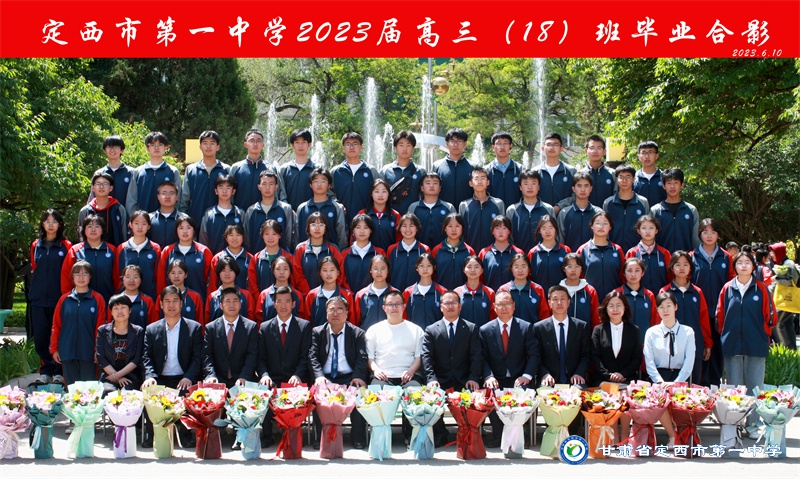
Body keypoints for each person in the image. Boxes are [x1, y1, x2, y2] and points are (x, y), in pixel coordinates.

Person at [142, 285, 204, 448]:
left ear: (181, 304)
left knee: (187, 392)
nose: (171, 305)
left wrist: (189, 377)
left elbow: (197, 358)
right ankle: (154, 434)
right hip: (160, 378)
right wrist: (150, 376)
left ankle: (185, 435)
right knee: (150, 391)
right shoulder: (152, 329)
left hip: (183, 377)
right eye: (167, 301)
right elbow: (146, 357)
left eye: (175, 301)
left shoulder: (194, 328)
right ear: (161, 304)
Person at [421, 290, 483, 448]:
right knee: (431, 397)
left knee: (474, 397)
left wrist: (473, 378)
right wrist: (431, 379)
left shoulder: (471, 328)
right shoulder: (431, 330)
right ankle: (440, 434)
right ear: (441, 307)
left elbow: (476, 356)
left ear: (460, 306)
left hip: (464, 379)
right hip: (440, 379)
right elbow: (426, 357)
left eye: (453, 303)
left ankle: (467, 432)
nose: (450, 306)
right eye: (446, 303)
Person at [479, 290, 540, 448]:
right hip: (496, 377)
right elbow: (482, 358)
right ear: (494, 307)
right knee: (490, 394)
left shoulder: (525, 327)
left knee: (524, 394)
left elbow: (534, 354)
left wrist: (527, 376)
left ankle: (520, 436)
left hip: (518, 377)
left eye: (507, 304)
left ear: (514, 306)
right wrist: (488, 376)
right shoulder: (485, 330)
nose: (504, 308)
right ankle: (498, 435)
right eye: (500, 304)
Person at [716, 252, 776, 409]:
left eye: (747, 262)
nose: (743, 265)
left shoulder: (761, 288)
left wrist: (763, 335)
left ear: (754, 267)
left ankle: (753, 420)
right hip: (732, 344)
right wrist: (726, 335)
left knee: (755, 386)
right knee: (733, 387)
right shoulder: (727, 288)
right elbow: (720, 316)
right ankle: (734, 419)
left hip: (756, 343)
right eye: (740, 262)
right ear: (734, 266)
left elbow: (770, 316)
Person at [309, 296, 368, 449]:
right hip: (326, 377)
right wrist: (319, 376)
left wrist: (357, 376)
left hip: (349, 377)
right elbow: (312, 357)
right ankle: (321, 438)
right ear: (326, 313)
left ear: (347, 313)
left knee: (359, 392)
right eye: (331, 310)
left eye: (340, 309)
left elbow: (362, 357)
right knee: (319, 394)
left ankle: (358, 437)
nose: (335, 313)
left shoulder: (357, 333)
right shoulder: (317, 332)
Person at [366, 291, 425, 443]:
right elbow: (370, 358)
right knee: (376, 393)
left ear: (404, 306)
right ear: (384, 307)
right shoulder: (374, 330)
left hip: (409, 375)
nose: (394, 308)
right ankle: (381, 436)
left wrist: (411, 370)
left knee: (415, 393)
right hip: (383, 375)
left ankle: (410, 435)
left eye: (397, 304)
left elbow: (419, 357)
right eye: (390, 304)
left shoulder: (416, 330)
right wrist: (376, 370)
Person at [257, 286, 313, 447]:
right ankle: (267, 435)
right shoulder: (265, 327)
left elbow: (305, 357)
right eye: (279, 301)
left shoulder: (303, 326)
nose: (283, 305)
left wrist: (298, 375)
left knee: (297, 391)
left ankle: (293, 433)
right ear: (274, 304)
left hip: (294, 378)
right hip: (273, 377)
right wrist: (264, 375)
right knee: (264, 390)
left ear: (294, 304)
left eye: (287, 301)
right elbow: (260, 358)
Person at [643, 292, 696, 448]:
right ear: (657, 310)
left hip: (680, 376)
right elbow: (649, 361)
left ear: (676, 307)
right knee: (659, 399)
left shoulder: (688, 332)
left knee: (681, 400)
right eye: (661, 307)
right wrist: (659, 382)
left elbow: (689, 360)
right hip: (658, 376)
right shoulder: (651, 333)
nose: (665, 310)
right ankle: (673, 436)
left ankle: (682, 433)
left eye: (669, 306)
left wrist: (677, 382)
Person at [29, 209, 72, 385]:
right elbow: (34, 268)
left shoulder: (66, 245)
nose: (51, 224)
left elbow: (69, 271)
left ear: (60, 224)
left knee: (59, 335)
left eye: (54, 221)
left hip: (58, 298)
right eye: (47, 221)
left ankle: (58, 371)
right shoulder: (35, 245)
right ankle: (45, 370)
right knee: (41, 337)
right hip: (39, 299)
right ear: (42, 224)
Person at [691, 218, 735, 387]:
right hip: (698, 312)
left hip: (719, 313)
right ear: (699, 234)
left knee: (716, 352)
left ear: (718, 235)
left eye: (713, 232)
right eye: (705, 232)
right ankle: (699, 387)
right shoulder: (692, 256)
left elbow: (731, 283)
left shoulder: (726, 257)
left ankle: (715, 387)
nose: (709, 236)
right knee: (699, 349)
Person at [659, 251, 712, 385]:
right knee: (671, 386)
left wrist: (707, 343)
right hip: (670, 348)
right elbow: (658, 321)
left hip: (694, 345)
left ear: (690, 268)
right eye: (678, 264)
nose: (681, 268)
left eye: (685, 264)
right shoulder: (665, 291)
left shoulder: (697, 292)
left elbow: (703, 319)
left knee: (693, 386)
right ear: (672, 267)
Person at [50, 260, 107, 386]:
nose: (81, 278)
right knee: (71, 390)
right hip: (67, 351)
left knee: (89, 390)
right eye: (77, 274)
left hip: (88, 353)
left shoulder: (97, 299)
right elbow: (56, 325)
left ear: (90, 276)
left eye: (85, 274)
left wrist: (97, 350)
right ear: (72, 277)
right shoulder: (64, 300)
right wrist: (54, 349)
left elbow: (101, 328)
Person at [533, 285, 591, 388]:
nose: (559, 303)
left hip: (574, 379)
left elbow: (586, 355)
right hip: (549, 380)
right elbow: (536, 356)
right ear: (549, 303)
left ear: (568, 302)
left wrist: (579, 373)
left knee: (580, 394)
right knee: (544, 395)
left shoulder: (581, 327)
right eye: (555, 299)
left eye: (563, 299)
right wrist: (545, 374)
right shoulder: (539, 328)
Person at [203, 287, 259, 388]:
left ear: (240, 304)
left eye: (235, 301)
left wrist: (244, 376)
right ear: (221, 305)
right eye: (227, 301)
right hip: (218, 380)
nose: (232, 305)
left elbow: (252, 355)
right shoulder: (211, 328)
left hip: (243, 380)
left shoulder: (251, 327)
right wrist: (211, 375)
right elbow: (207, 355)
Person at [60, 214, 120, 303]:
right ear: (84, 230)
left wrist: (117, 298)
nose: (93, 230)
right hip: (81, 302)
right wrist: (69, 299)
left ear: (102, 230)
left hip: (107, 300)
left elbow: (117, 277)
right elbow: (66, 277)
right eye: (89, 226)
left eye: (97, 226)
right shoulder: (75, 251)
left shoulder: (112, 250)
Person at [179, 130, 230, 226]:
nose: (208, 146)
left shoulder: (226, 169)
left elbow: (231, 196)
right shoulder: (191, 169)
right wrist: (184, 218)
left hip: (219, 221)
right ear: (200, 146)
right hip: (194, 221)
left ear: (218, 147)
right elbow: (185, 197)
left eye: (212, 143)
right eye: (205, 143)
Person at [591, 291, 642, 386]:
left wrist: (623, 374)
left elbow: (637, 358)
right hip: (603, 380)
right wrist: (608, 375)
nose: (615, 309)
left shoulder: (634, 330)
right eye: (611, 306)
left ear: (624, 307)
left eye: (618, 305)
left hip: (627, 379)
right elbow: (595, 357)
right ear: (606, 308)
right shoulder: (598, 330)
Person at [157, 215, 213, 302]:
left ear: (194, 230)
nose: (185, 231)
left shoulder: (204, 251)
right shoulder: (167, 251)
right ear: (176, 230)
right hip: (172, 303)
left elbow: (210, 281)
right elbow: (161, 280)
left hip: (197, 302)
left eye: (188, 228)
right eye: (181, 228)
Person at [97, 294, 144, 394]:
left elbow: (137, 359)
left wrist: (118, 375)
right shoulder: (102, 331)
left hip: (131, 376)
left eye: (123, 307)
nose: (120, 311)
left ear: (130, 310)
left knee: (128, 394)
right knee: (109, 392)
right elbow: (101, 358)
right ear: (111, 312)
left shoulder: (138, 331)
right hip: (109, 376)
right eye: (116, 308)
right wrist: (116, 376)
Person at [331, 131, 380, 227]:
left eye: (355, 144)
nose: (351, 147)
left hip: (366, 222)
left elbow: (379, 193)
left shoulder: (371, 171)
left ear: (361, 147)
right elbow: (328, 193)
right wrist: (336, 204)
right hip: (340, 220)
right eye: (348, 144)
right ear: (343, 148)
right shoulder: (336, 171)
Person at [230, 128, 287, 210]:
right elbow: (229, 193)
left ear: (263, 145)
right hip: (240, 214)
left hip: (264, 214)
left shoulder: (271, 168)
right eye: (251, 141)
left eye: (258, 141)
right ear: (246, 144)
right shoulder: (236, 168)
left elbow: (280, 193)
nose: (255, 144)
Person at [126, 131, 182, 215]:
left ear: (166, 147)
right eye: (152, 145)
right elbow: (131, 199)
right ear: (147, 148)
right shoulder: (138, 172)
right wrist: (135, 218)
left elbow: (178, 197)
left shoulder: (173, 171)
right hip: (142, 220)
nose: (156, 148)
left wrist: (174, 217)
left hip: (167, 219)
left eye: (160, 145)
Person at [243, 170, 296, 254]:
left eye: (271, 184)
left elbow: (289, 237)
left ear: (276, 187)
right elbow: (247, 239)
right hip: (257, 259)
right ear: (259, 187)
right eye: (264, 184)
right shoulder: (251, 211)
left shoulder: (286, 209)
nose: (267, 188)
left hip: (281, 259)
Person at [293, 212, 346, 296]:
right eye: (313, 225)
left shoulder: (333, 249)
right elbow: (297, 275)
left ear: (325, 228)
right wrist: (310, 294)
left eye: (321, 225)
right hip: (306, 296)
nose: (317, 228)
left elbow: (340, 273)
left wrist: (330, 291)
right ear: (308, 228)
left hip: (331, 296)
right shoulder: (300, 249)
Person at [577, 211, 625, 300]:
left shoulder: (617, 250)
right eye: (597, 223)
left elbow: (623, 275)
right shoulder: (583, 250)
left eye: (605, 223)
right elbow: (577, 276)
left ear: (610, 227)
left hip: (613, 300)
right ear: (592, 226)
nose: (601, 227)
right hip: (589, 299)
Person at [650, 168, 700, 254]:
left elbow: (696, 239)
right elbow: (650, 238)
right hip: (661, 259)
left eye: (676, 182)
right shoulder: (655, 211)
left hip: (685, 259)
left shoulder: (691, 210)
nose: (672, 186)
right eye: (669, 183)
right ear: (663, 186)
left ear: (682, 185)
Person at [505, 169, 555, 254]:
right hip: (518, 258)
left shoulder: (548, 209)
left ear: (538, 187)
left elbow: (554, 235)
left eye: (533, 183)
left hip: (542, 256)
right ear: (520, 187)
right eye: (526, 183)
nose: (530, 187)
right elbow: (508, 237)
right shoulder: (512, 210)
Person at [296, 168, 348, 248]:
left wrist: (339, 252)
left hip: (331, 253)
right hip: (306, 253)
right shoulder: (302, 208)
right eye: (316, 181)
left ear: (329, 185)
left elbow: (342, 235)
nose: (319, 184)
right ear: (311, 185)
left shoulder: (337, 208)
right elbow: (297, 234)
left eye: (323, 181)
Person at [603, 164, 650, 252]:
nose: (624, 181)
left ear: (633, 179)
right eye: (621, 177)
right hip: (612, 250)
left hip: (637, 251)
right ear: (616, 179)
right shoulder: (608, 203)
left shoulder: (643, 202)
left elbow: (647, 226)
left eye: (628, 177)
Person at [458, 166, 505, 252]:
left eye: (483, 178)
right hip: (470, 252)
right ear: (471, 183)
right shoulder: (464, 205)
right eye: (476, 178)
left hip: (493, 252)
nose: (479, 181)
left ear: (488, 182)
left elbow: (503, 228)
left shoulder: (498, 204)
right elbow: (460, 232)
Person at [117, 210, 161, 299]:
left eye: (144, 224)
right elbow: (117, 275)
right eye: (136, 223)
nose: (140, 227)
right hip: (126, 298)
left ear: (148, 226)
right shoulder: (122, 248)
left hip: (150, 296)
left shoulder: (155, 248)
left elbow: (158, 276)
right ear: (130, 225)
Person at [198, 174, 246, 255]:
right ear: (216, 191)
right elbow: (203, 241)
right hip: (214, 260)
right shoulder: (208, 214)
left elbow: (246, 239)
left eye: (228, 188)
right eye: (221, 187)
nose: (224, 191)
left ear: (233, 191)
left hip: (236, 260)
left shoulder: (240, 213)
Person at [614, 257, 659, 344]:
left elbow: (654, 320)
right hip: (621, 344)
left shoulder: (649, 295)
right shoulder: (616, 294)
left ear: (642, 273)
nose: (633, 274)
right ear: (624, 273)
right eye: (629, 270)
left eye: (637, 270)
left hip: (644, 344)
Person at [208, 224, 259, 300]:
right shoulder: (218, 258)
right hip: (223, 301)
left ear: (243, 237)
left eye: (238, 235)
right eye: (231, 235)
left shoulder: (250, 258)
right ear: (226, 238)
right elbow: (212, 284)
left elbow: (253, 284)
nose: (234, 238)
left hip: (245, 300)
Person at [407, 171, 456, 249]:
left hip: (443, 250)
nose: (432, 186)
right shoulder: (414, 207)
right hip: (419, 250)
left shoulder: (448, 207)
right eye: (428, 183)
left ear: (439, 188)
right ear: (422, 188)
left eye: (435, 183)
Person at [381, 131, 426, 215]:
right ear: (395, 148)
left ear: (413, 149)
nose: (405, 149)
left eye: (408, 145)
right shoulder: (386, 170)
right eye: (401, 145)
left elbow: (425, 196)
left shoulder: (420, 171)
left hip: (414, 217)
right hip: (391, 217)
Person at [79, 172, 128, 247]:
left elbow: (124, 234)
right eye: (98, 184)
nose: (101, 187)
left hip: (115, 251)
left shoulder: (119, 209)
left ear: (111, 188)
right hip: (89, 251)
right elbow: (81, 235)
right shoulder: (85, 211)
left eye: (105, 184)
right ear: (93, 188)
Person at [497, 254, 550, 323]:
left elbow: (544, 315)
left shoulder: (538, 289)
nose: (520, 270)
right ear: (511, 269)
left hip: (532, 329)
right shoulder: (503, 290)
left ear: (529, 269)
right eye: (516, 267)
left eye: (523, 266)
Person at [558, 172, 603, 252]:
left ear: (591, 188)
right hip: (570, 257)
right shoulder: (564, 213)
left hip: (593, 256)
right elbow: (560, 239)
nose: (582, 189)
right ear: (573, 189)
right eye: (579, 186)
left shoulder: (598, 213)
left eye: (586, 186)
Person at [626, 215, 671, 294]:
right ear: (639, 231)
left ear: (656, 231)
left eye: (651, 228)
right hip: (639, 297)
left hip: (662, 297)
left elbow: (670, 276)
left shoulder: (664, 253)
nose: (647, 231)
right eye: (644, 228)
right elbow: (625, 277)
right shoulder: (632, 253)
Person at [305, 257, 355, 327]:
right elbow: (307, 320)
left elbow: (352, 321)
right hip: (317, 334)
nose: (328, 274)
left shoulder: (347, 295)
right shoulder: (312, 295)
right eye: (325, 270)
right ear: (320, 273)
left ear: (338, 272)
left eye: (332, 270)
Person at [341, 214, 387, 293]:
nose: (362, 231)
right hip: (349, 297)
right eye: (358, 227)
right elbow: (341, 278)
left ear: (371, 230)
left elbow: (384, 276)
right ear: (353, 230)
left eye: (366, 227)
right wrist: (349, 294)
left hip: (374, 296)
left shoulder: (379, 253)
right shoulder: (344, 254)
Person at [206, 256, 256, 327]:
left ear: (236, 272)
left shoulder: (246, 295)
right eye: (223, 270)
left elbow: (251, 319)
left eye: (231, 270)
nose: (227, 274)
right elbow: (207, 321)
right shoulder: (212, 297)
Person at [478, 215, 524, 292]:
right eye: (497, 228)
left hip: (513, 296)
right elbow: (479, 277)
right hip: (490, 296)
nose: (500, 232)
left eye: (504, 228)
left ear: (509, 231)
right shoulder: (484, 253)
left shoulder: (518, 253)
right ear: (492, 231)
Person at [353, 255, 399, 331]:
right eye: (375, 268)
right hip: (367, 336)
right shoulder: (360, 295)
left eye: (383, 268)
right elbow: (356, 322)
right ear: (370, 270)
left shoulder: (396, 294)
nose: (379, 272)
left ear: (388, 270)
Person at [386, 213, 431, 291]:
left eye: (411, 226)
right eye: (404, 226)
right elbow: (387, 273)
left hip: (417, 294)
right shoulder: (392, 249)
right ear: (400, 228)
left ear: (417, 228)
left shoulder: (424, 249)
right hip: (395, 294)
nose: (408, 229)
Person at [431, 213, 475, 291]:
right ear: (445, 228)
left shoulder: (469, 251)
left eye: (457, 226)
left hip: (464, 294)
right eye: (450, 226)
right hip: (441, 294)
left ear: (462, 228)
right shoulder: (437, 250)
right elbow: (431, 274)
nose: (454, 230)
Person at [253, 219, 298, 294]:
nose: (270, 237)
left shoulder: (289, 257)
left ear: (280, 235)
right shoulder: (256, 258)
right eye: (267, 234)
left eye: (274, 234)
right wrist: (262, 298)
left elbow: (293, 281)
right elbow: (252, 284)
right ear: (262, 235)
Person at [256, 255, 303, 325]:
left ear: (290, 271)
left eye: (285, 269)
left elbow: (302, 318)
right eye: (278, 269)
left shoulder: (297, 295)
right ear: (273, 271)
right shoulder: (264, 294)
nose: (281, 272)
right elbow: (259, 318)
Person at [528, 215, 570, 292]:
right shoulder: (533, 252)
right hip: (539, 295)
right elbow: (529, 275)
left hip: (560, 295)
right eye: (544, 228)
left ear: (555, 229)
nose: (547, 232)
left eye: (551, 228)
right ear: (539, 230)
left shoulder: (565, 250)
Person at [403, 254, 446, 330]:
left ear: (434, 267)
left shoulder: (442, 291)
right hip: (414, 334)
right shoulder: (408, 292)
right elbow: (404, 315)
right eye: (421, 266)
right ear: (417, 268)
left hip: (437, 334)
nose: (425, 269)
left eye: (429, 266)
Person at [433, 127, 473, 207]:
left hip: (467, 209)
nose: (455, 144)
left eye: (459, 141)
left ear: (465, 144)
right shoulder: (437, 166)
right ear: (447, 144)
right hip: (443, 209)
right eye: (452, 141)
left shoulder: (473, 166)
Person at [357, 179, 401, 252]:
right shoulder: (363, 214)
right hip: (367, 256)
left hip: (389, 256)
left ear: (388, 194)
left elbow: (400, 239)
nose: (380, 195)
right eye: (377, 191)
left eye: (384, 191)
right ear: (371, 194)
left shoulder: (395, 215)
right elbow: (355, 238)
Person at [769, 242, 799, 348]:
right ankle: (789, 349)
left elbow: (792, 280)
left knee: (779, 323)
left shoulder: (789, 263)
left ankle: (786, 348)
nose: (771, 255)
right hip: (783, 300)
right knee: (786, 324)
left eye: (773, 252)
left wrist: (777, 278)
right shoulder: (782, 263)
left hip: (787, 299)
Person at [280, 128, 319, 211]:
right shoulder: (284, 169)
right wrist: (289, 210)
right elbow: (281, 194)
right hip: (288, 214)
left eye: (304, 142)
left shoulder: (317, 169)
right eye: (297, 142)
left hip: (312, 214)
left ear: (309, 144)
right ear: (292, 145)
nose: (300, 146)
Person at [559, 253, 600, 329]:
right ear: (564, 269)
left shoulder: (590, 291)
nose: (573, 270)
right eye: (569, 266)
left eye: (577, 266)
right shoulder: (557, 290)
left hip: (584, 334)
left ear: (581, 269)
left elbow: (595, 317)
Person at [537, 133, 576, 213]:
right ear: (543, 148)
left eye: (555, 144)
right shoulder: (535, 172)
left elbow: (576, 194)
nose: (552, 148)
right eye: (548, 144)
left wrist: (559, 206)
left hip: (565, 214)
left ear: (561, 148)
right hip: (541, 214)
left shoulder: (571, 171)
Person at [156, 260, 205, 324]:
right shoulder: (161, 297)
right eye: (173, 273)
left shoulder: (195, 297)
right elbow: (156, 324)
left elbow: (200, 322)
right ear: (169, 275)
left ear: (185, 275)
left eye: (180, 273)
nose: (176, 276)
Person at [455, 256, 496, 328]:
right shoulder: (457, 292)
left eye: (476, 267)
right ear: (464, 270)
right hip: (462, 333)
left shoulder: (489, 292)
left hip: (484, 333)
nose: (473, 270)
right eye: (469, 267)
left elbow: (493, 316)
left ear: (482, 270)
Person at [90, 135, 131, 205]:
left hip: (125, 211)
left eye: (115, 147)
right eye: (109, 147)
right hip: (103, 211)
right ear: (105, 150)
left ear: (122, 150)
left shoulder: (131, 172)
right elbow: (92, 199)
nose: (112, 150)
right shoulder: (99, 173)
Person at [486, 131, 523, 208]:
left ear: (510, 146)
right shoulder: (486, 171)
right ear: (493, 147)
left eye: (505, 143)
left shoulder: (520, 169)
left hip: (515, 212)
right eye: (499, 143)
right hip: (493, 212)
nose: (502, 147)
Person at [632, 140, 666, 207]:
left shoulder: (664, 177)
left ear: (656, 156)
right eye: (643, 153)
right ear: (639, 156)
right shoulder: (633, 178)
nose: (647, 156)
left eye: (650, 152)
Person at [148, 181, 180, 248]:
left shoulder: (183, 219)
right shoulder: (149, 218)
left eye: (171, 193)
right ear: (158, 196)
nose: (167, 196)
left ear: (177, 197)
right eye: (164, 193)